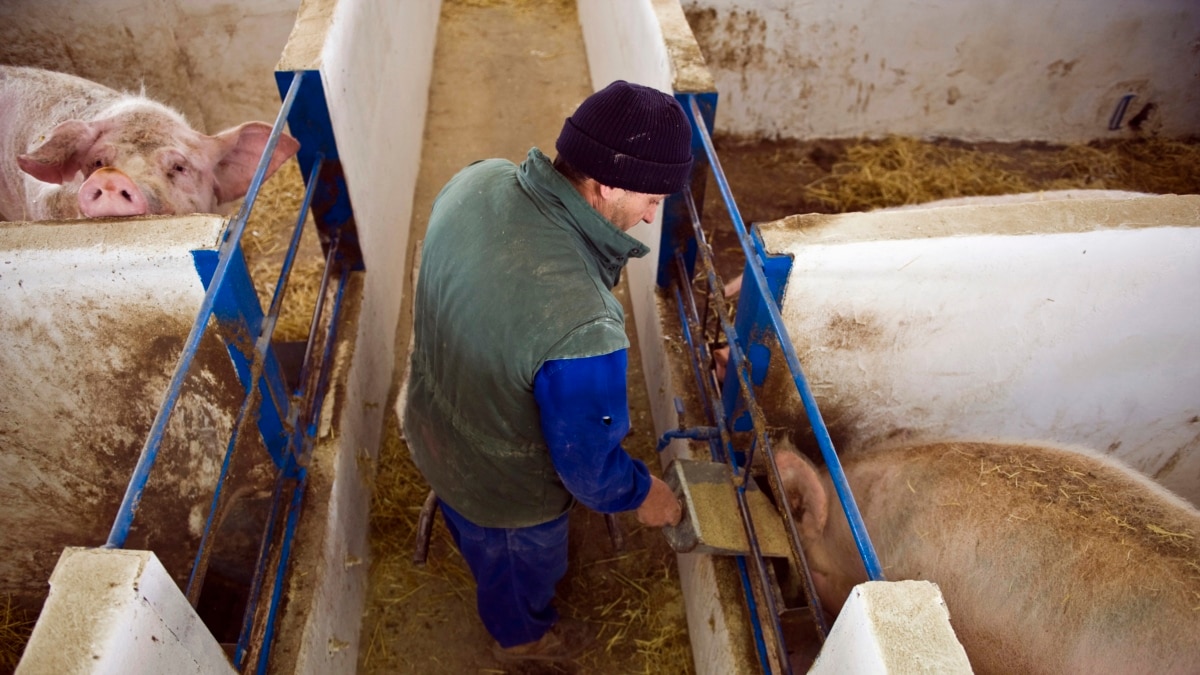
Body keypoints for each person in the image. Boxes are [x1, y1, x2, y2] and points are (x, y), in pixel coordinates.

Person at [403, 80, 692, 664]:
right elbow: (587, 471)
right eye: (653, 198)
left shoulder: (476, 180)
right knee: (519, 572)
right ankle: (523, 639)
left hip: (430, 418)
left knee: (479, 525)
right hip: (500, 492)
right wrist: (646, 493)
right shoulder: (582, 323)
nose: (651, 215)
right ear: (606, 181)